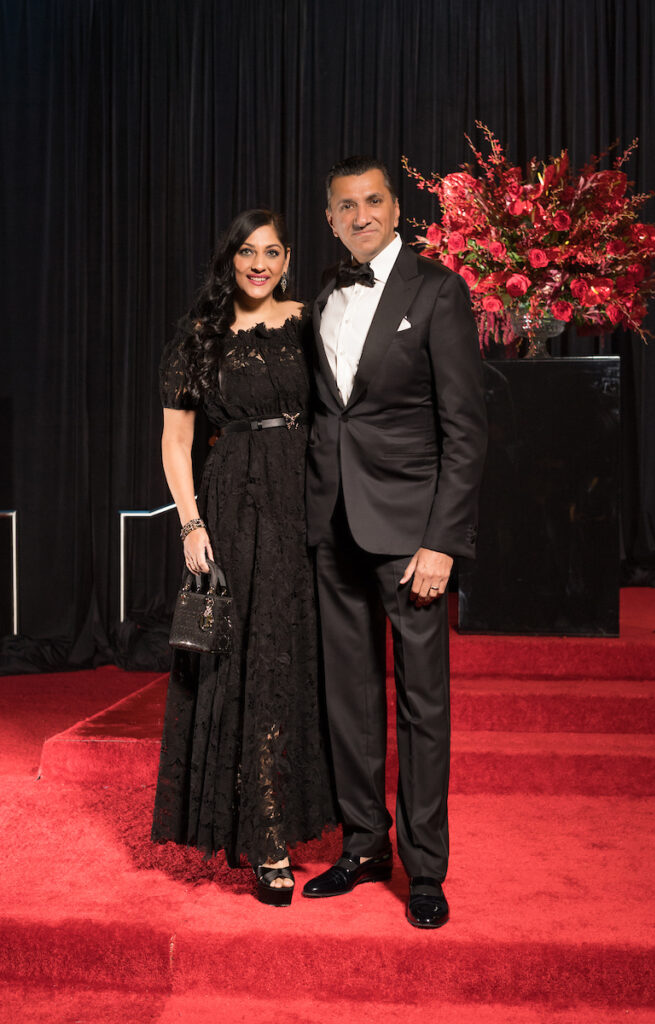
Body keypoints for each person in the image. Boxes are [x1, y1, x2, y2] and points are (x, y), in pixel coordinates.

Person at [302, 157, 487, 927]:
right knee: (347, 700)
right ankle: (364, 843)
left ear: (394, 206)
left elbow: (465, 431)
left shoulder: (438, 290)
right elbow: (326, 417)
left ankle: (426, 868)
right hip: (331, 524)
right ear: (331, 218)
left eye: (373, 199)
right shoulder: (320, 296)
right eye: (346, 205)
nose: (361, 213)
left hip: (412, 536)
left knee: (420, 703)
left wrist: (444, 540)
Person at [151, 209, 336, 906]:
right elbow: (175, 441)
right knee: (249, 663)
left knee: (294, 661)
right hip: (233, 508)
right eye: (247, 252)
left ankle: (295, 815)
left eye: (273, 252)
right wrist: (191, 524)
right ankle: (264, 837)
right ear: (229, 259)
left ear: (287, 259)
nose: (260, 264)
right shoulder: (199, 336)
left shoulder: (310, 322)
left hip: (306, 504)